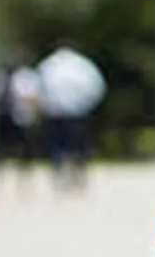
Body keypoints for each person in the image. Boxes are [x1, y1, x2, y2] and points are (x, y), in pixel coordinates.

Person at [36, 41, 106, 194]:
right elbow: (97, 87)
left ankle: (60, 178)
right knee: (79, 147)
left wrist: (46, 107)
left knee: (57, 148)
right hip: (78, 113)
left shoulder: (49, 65)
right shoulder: (83, 65)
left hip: (55, 114)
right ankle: (79, 178)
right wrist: (86, 105)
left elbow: (38, 90)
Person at [0, 55, 45, 194]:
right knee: (0, 146)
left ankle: (24, 174)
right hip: (3, 115)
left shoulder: (26, 78)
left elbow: (34, 97)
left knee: (24, 147)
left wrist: (34, 113)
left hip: (21, 117)